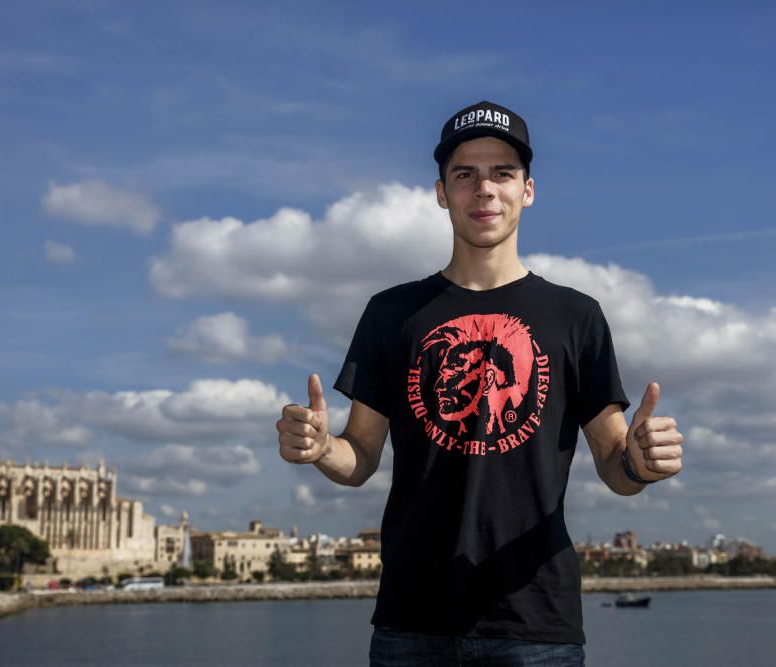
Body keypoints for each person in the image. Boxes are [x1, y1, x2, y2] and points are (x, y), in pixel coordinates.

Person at [277, 100, 684, 666]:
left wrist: (641, 462)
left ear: (528, 190)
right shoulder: (392, 313)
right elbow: (362, 456)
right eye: (465, 174)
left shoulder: (576, 316)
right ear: (442, 193)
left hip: (534, 625)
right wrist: (322, 449)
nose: (484, 189)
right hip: (410, 623)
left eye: (502, 173)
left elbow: (615, 465)